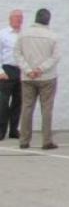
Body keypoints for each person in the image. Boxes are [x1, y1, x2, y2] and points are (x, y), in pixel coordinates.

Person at [15, 8, 60, 150]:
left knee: (27, 108)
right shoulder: (53, 36)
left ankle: (24, 140)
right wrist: (41, 69)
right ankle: (46, 141)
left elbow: (17, 54)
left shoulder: (23, 34)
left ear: (35, 18)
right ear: (48, 20)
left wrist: (28, 70)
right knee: (47, 109)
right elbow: (55, 57)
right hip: (47, 77)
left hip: (27, 77)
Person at [0, 9, 23, 140]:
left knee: (18, 102)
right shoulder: (2, 34)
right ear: (10, 19)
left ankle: (14, 130)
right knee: (3, 103)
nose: (19, 19)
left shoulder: (24, 35)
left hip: (21, 70)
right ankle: (1, 130)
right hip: (6, 70)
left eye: (21, 17)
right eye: (16, 17)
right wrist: (0, 72)